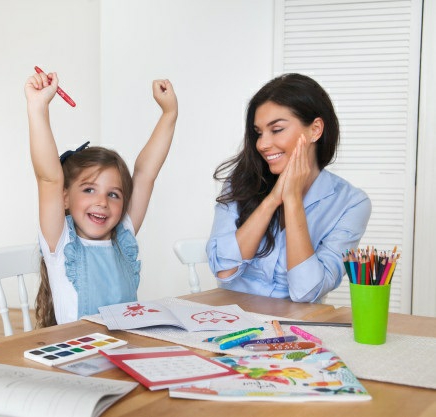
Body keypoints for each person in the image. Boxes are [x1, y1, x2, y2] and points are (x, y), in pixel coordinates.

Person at [25, 69, 178, 327]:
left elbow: (145, 174)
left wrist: (169, 113)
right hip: (78, 351)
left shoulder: (123, 236)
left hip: (126, 348)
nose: (102, 202)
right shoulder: (61, 243)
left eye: (113, 194)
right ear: (64, 198)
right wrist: (38, 107)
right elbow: (48, 178)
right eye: (89, 190)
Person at [206, 73, 371, 302]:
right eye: (258, 133)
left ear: (315, 129)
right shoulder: (241, 182)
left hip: (295, 320)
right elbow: (224, 271)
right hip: (235, 315)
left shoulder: (351, 203)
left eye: (276, 130)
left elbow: (307, 292)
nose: (262, 144)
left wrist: (292, 200)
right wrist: (272, 200)